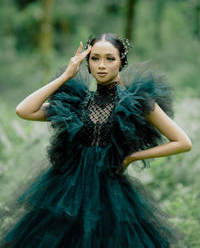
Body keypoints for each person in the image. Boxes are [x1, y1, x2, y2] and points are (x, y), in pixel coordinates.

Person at [1, 33, 192, 247]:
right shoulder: (77, 101)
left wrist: (132, 157)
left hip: (109, 192)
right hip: (65, 192)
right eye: (95, 58)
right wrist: (65, 75)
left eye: (110, 59)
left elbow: (182, 142)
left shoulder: (135, 102)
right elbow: (24, 110)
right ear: (87, 62)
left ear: (121, 62)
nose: (101, 65)